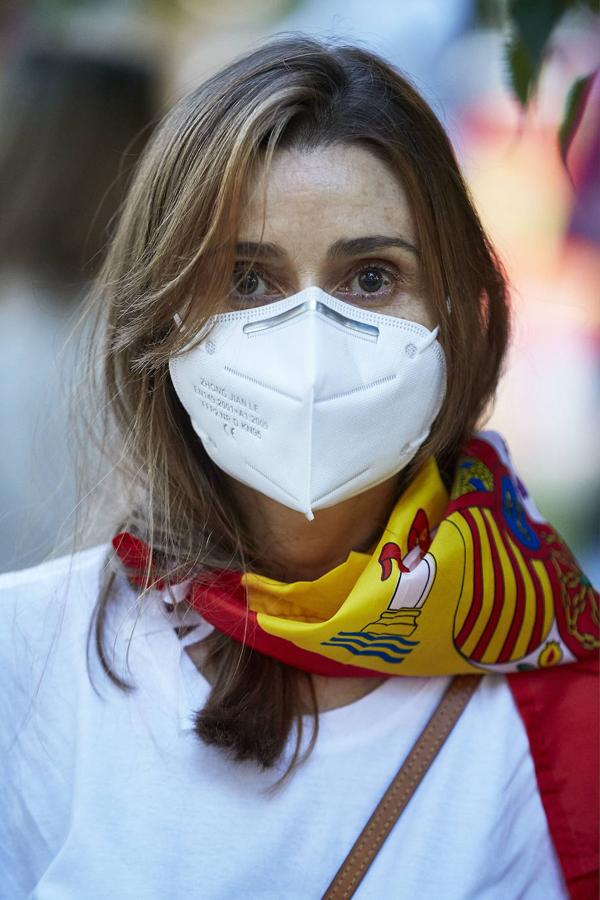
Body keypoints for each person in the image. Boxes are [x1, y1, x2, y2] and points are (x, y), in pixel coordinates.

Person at [1, 35, 598, 900]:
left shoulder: (556, 698)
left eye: (369, 277)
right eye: (246, 280)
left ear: (458, 314)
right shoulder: (26, 660)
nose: (311, 345)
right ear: (162, 318)